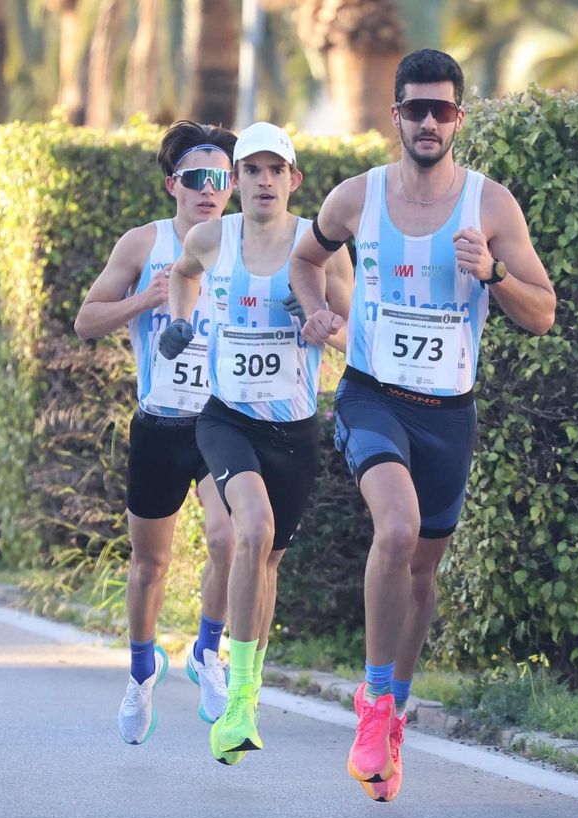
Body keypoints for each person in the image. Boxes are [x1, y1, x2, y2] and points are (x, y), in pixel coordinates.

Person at [289, 49, 558, 801]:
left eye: (443, 110)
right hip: (373, 398)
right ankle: (373, 704)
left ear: (459, 119)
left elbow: (543, 314)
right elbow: (306, 260)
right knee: (397, 529)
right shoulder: (356, 197)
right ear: (397, 115)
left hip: (450, 415)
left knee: (422, 572)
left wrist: (495, 275)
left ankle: (396, 711)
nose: (430, 122)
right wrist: (318, 308)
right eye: (417, 109)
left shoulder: (491, 207)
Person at [161, 122, 355, 765]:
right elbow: (182, 273)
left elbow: (355, 331)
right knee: (252, 530)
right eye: (252, 170)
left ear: (294, 180)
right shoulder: (212, 237)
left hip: (294, 427)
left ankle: (248, 681)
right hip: (226, 419)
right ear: (236, 181)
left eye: (277, 170)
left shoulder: (317, 246)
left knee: (267, 559)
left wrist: (327, 325)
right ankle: (238, 696)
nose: (264, 180)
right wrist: (182, 322)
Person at [72, 120, 238, 745]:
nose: (210, 190)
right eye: (197, 179)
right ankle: (142, 671)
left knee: (229, 536)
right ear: (173, 185)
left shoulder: (248, 244)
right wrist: (146, 301)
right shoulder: (143, 245)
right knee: (150, 564)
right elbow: (87, 321)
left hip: (223, 423)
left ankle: (207, 649)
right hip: (160, 423)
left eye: (221, 179)